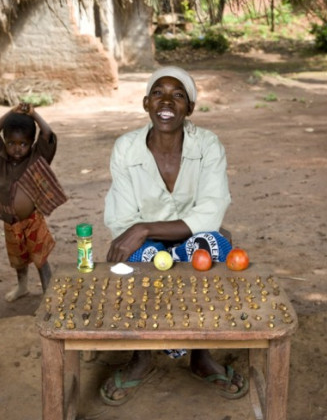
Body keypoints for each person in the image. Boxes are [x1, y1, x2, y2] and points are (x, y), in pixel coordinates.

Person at [100, 66, 246, 405]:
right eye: (158, 94)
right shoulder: (126, 148)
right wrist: (140, 234)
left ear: (190, 108)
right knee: (135, 261)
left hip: (186, 237)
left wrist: (146, 227)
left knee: (213, 250)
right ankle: (143, 355)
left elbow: (211, 212)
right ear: (146, 103)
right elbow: (122, 218)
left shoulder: (208, 145)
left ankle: (199, 354)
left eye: (178, 95)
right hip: (144, 244)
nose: (167, 101)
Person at [0, 103, 66, 302]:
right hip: (10, 221)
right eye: (11, 143)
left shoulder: (37, 158)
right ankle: (22, 287)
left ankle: (48, 292)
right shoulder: (1, 159)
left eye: (23, 144)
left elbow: (47, 134)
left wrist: (34, 114)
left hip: (32, 220)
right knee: (18, 259)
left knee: (40, 258)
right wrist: (11, 112)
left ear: (31, 143)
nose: (17, 148)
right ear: (4, 141)